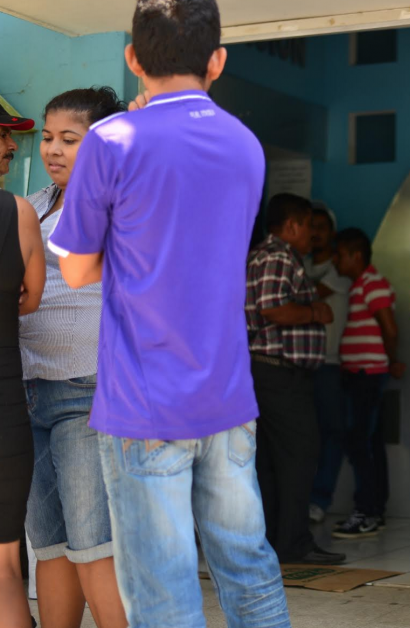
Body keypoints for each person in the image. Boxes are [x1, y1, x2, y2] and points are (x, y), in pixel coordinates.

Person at [48, 1, 291, 626]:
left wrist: (130, 253)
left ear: (133, 59)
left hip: (144, 400)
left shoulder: (112, 140)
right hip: (230, 396)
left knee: (163, 590)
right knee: (249, 569)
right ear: (218, 61)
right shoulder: (245, 142)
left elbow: (74, 268)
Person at [21, 87, 128, 628]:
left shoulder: (118, 207)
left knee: (93, 541)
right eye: (46, 137)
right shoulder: (35, 204)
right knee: (50, 542)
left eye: (69, 139)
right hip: (27, 388)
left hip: (86, 389)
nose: (52, 150)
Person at [246, 193, 345, 565]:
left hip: (272, 371)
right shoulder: (276, 256)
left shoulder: (270, 255)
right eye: (307, 226)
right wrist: (315, 311)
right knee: (300, 455)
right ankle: (293, 543)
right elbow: (273, 308)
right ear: (291, 226)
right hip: (278, 371)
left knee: (273, 460)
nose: (311, 235)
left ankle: (275, 541)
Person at [0, 132, 46, 625]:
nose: (11, 145)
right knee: (4, 569)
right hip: (4, 402)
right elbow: (29, 300)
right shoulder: (18, 212)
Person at [331, 227, 404, 538]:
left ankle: (367, 511)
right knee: (369, 443)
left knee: (360, 443)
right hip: (361, 374)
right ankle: (374, 510)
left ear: (355, 256)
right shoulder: (362, 284)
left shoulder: (371, 283)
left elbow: (389, 327)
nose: (335, 261)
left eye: (339, 255)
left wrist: (392, 360)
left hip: (367, 375)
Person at [304, 203, 353, 524]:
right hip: (301, 364)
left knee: (331, 433)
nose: (316, 233)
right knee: (305, 436)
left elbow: (305, 296)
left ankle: (319, 499)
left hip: (330, 365)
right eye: (311, 226)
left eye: (321, 227)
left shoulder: (339, 273)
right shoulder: (299, 266)